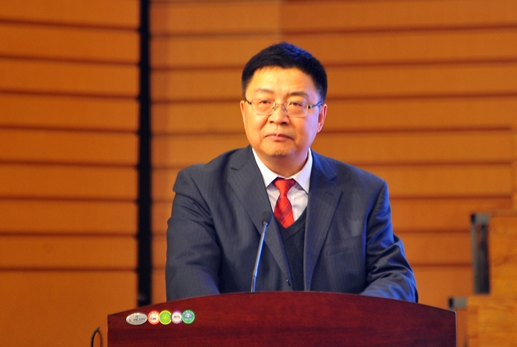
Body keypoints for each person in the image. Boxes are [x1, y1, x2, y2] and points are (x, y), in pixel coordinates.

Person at [166, 42, 417, 304]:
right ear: (244, 111)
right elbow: (188, 280)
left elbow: (395, 279)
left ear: (320, 117)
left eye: (296, 104)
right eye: (264, 102)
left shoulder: (364, 193)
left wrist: (351, 319)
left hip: (339, 331)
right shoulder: (201, 188)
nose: (278, 117)